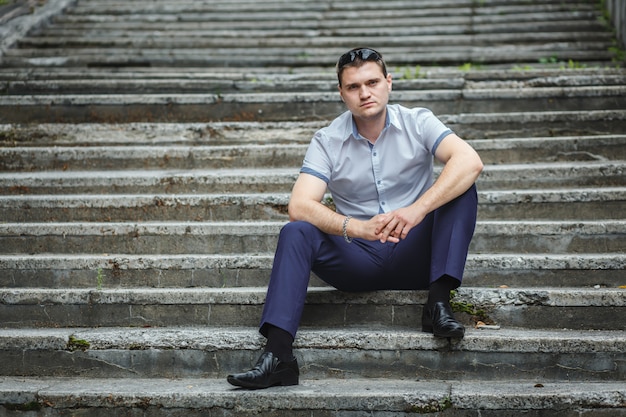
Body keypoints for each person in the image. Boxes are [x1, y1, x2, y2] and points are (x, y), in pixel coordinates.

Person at [227, 47, 483, 390]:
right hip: (359, 257)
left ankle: (437, 303)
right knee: (296, 232)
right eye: (353, 86)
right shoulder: (327, 140)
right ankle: (279, 356)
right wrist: (355, 227)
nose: (365, 93)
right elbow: (300, 205)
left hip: (418, 253)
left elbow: (470, 161)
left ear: (388, 83)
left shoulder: (417, 121)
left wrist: (416, 209)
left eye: (373, 82)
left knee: (461, 187)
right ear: (342, 93)